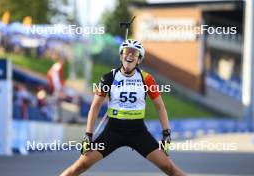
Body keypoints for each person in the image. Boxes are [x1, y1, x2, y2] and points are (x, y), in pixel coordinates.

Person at [60, 39, 186, 176]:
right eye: (127, 52)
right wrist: (88, 135)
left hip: (138, 132)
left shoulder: (146, 79)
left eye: (134, 53)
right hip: (113, 131)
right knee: (81, 165)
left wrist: (166, 134)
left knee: (169, 168)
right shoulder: (108, 78)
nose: (130, 55)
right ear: (121, 56)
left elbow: (160, 107)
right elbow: (95, 106)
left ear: (139, 60)